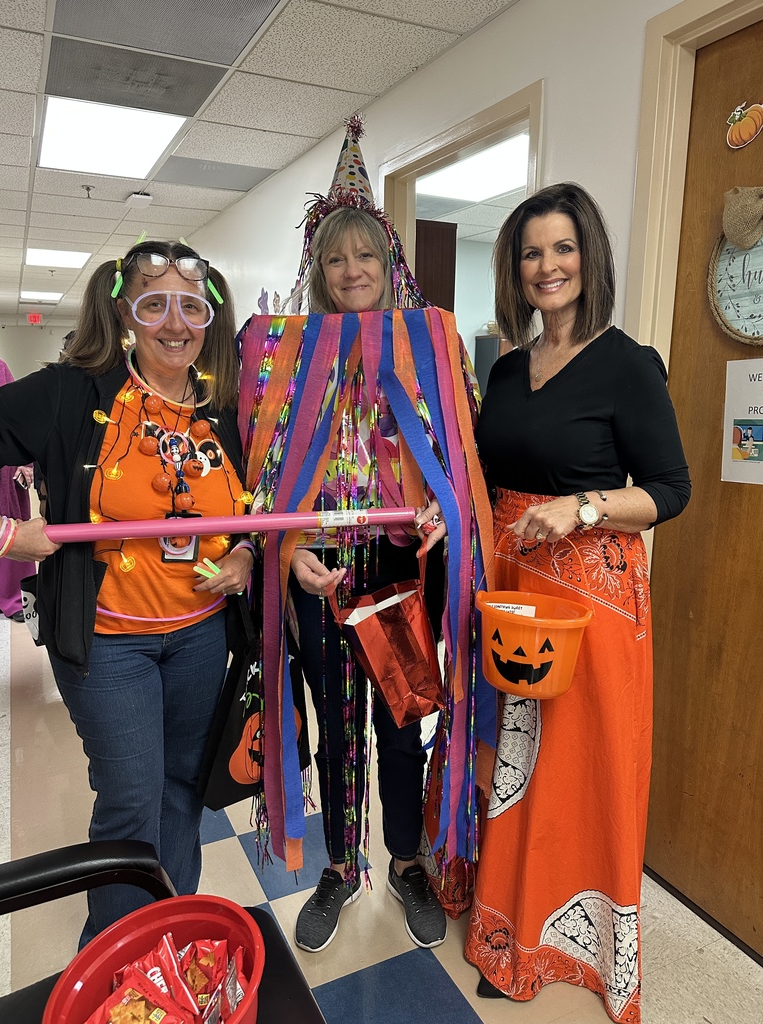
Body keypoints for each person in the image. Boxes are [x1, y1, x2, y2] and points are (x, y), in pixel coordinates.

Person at [235, 117, 492, 955]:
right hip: (317, 571)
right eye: (338, 258)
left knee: (400, 712)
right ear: (321, 269)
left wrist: (435, 514)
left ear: (390, 268)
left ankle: (408, 862)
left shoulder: (428, 352)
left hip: (393, 565)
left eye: (367, 257)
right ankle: (341, 867)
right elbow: (267, 479)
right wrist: (290, 546)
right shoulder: (289, 359)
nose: (353, 271)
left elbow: (455, 459)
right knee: (336, 721)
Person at [465, 183, 690, 1023]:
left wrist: (585, 506)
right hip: (518, 595)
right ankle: (508, 931)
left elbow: (672, 488)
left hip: (595, 601)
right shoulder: (506, 367)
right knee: (519, 769)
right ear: (514, 269)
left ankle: (582, 952)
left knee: (583, 772)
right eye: (531, 252)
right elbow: (486, 476)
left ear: (588, 257)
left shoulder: (628, 362)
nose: (547, 266)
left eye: (562, 249)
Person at [0, 241, 252, 945]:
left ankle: (170, 941)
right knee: (132, 805)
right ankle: (117, 972)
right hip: (110, 642)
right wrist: (6, 537)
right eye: (154, 302)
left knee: (180, 794)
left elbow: (253, 510)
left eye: (191, 305)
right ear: (125, 313)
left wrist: (249, 554)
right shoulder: (73, 393)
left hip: (201, 638)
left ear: (210, 316)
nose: (175, 322)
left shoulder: (225, 408)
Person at [0, 358, 36, 621]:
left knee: (9, 525)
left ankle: (16, 598)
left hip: (0, 461)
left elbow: (16, 420)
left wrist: (26, 463)